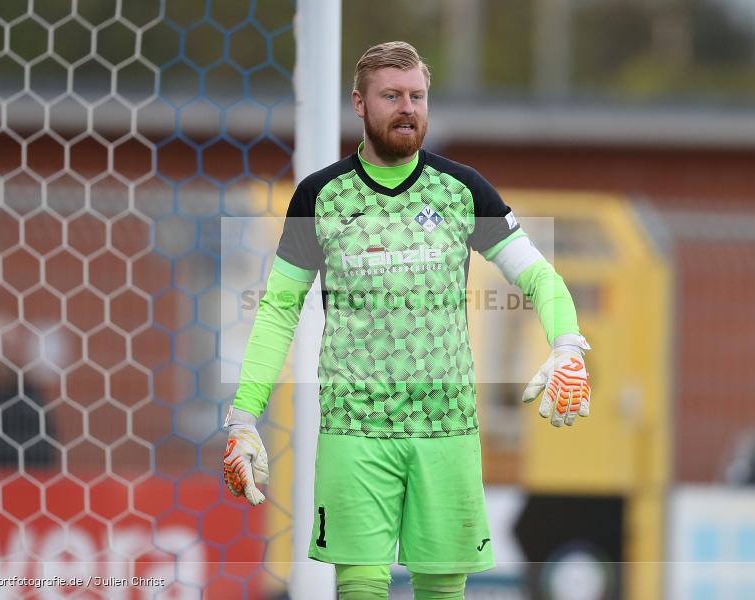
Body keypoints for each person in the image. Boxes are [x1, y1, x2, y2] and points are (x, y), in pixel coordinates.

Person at [222, 41, 592, 600]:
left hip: (446, 428)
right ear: (359, 104)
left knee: (442, 588)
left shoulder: (462, 189)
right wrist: (244, 418)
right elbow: (278, 309)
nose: (407, 108)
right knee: (361, 586)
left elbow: (540, 275)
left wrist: (567, 345)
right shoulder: (320, 196)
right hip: (354, 429)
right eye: (391, 96)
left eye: (417, 96)